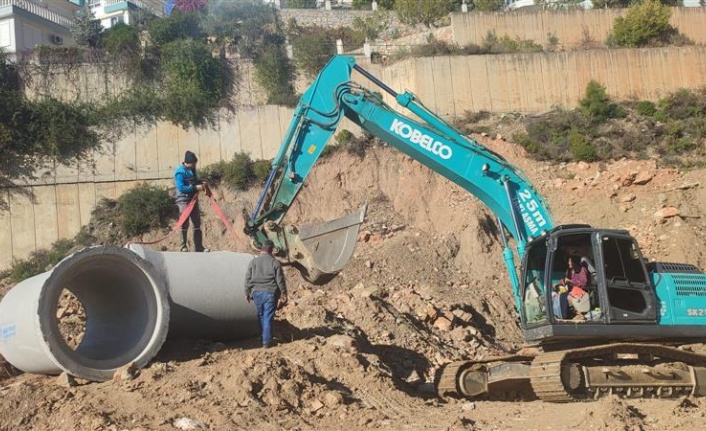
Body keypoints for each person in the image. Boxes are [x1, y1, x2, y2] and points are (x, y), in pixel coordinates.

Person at [244, 239, 288, 348]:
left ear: (261, 248)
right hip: (269, 293)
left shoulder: (253, 262)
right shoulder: (275, 263)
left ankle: (263, 337)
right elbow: (280, 280)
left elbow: (247, 278)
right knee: (268, 316)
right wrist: (284, 294)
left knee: (261, 315)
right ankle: (266, 342)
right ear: (271, 250)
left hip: (256, 293)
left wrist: (247, 292)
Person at [174, 150, 210, 252]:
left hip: (193, 199)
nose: (194, 165)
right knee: (184, 222)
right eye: (193, 163)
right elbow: (181, 187)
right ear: (187, 162)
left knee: (197, 222)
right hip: (183, 200)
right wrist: (195, 188)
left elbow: (195, 180)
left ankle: (199, 247)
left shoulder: (192, 169)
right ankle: (183, 246)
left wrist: (201, 182)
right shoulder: (179, 172)